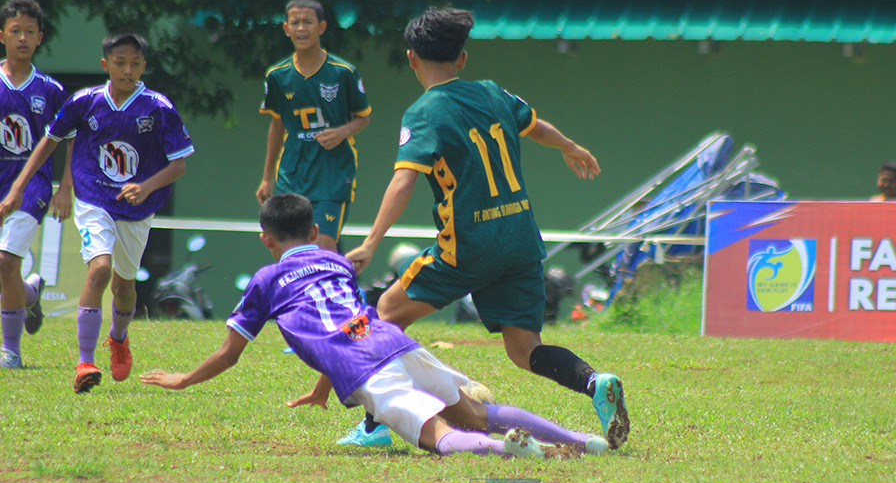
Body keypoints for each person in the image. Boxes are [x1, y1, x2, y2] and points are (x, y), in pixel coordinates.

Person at [346, 7, 630, 450]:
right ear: (462, 59)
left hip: (469, 245)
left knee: (385, 314)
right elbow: (535, 126)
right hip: (520, 240)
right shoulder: (493, 93)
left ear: (411, 58)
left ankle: (376, 426)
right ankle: (595, 382)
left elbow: (403, 180)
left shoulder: (423, 112)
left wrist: (370, 242)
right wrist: (571, 148)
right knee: (525, 349)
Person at [140, 194, 609, 460]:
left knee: (438, 438)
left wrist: (183, 379)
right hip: (396, 343)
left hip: (363, 368)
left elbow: (230, 352)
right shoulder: (335, 263)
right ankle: (583, 441)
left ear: (267, 239)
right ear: (312, 233)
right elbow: (341, 321)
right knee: (479, 412)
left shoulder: (266, 280)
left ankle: (515, 452)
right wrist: (323, 390)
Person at [0, 30, 195, 392]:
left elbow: (179, 164)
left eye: (135, 64)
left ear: (143, 67)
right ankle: (84, 362)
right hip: (93, 199)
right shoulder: (85, 101)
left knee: (124, 286)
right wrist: (20, 187)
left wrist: (146, 186)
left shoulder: (157, 107)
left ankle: (118, 337)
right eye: (120, 63)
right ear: (106, 65)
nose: (127, 70)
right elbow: (49, 141)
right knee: (99, 269)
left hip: (137, 208)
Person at [256, 0, 371, 251]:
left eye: (307, 22)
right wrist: (267, 178)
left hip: (332, 174)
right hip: (292, 174)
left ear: (321, 27)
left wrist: (342, 132)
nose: (300, 28)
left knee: (321, 249)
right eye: (294, 22)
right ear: (286, 29)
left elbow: (363, 117)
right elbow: (277, 125)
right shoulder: (277, 75)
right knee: (287, 250)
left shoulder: (344, 72)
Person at [0, 0, 70, 368]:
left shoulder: (50, 90)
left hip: (32, 188)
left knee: (5, 261)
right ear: (2, 36)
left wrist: (66, 186)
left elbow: (70, 137)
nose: (22, 39)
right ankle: (29, 293)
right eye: (15, 32)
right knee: (6, 271)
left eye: (29, 32)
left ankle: (10, 350)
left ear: (40, 37)